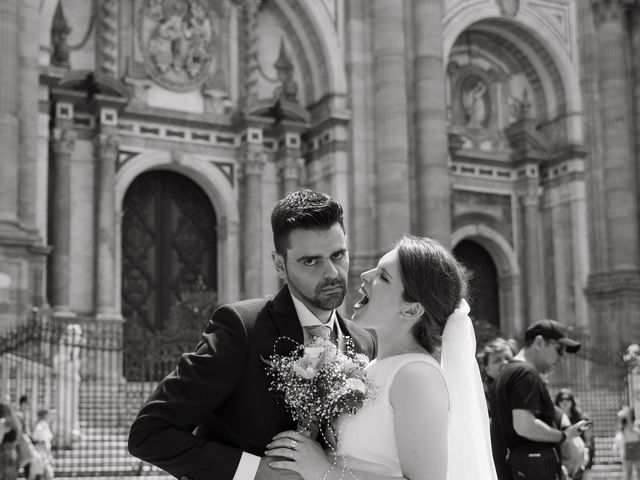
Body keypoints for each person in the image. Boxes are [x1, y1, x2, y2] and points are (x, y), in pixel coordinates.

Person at [128, 190, 377, 480]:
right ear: (280, 265)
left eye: (338, 255)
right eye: (311, 261)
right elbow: (149, 433)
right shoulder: (241, 328)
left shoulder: (365, 343)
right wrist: (255, 471)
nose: (332, 272)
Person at [264, 235, 497, 480]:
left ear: (411, 309)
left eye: (384, 277)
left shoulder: (417, 376)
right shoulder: (376, 365)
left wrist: (323, 472)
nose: (365, 275)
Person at [490, 320, 588, 480]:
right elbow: (524, 426)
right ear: (539, 342)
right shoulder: (526, 374)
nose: (562, 358)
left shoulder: (508, 373)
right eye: (559, 350)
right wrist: (563, 436)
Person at [554, 389, 594, 479]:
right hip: (562, 460)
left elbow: (589, 439)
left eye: (567, 399)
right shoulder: (555, 420)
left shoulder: (582, 418)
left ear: (572, 401)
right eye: (561, 399)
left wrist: (587, 453)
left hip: (580, 458)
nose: (564, 401)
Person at [482, 338, 515, 415]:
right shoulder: (481, 394)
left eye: (508, 358)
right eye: (497, 360)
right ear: (487, 369)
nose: (504, 362)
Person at [613, 406, 640, 480]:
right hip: (627, 447)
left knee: (639, 471)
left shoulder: (636, 423)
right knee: (628, 472)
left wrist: (633, 429)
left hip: (637, 446)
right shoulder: (623, 425)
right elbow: (619, 414)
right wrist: (624, 411)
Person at [31, 409, 53, 480]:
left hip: (40, 449)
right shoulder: (42, 424)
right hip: (42, 450)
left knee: (40, 471)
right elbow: (41, 439)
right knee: (43, 471)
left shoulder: (39, 424)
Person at [0, 401, 20, 480]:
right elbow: (17, 439)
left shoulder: (2, 422)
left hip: (3, 453)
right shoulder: (14, 423)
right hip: (13, 452)